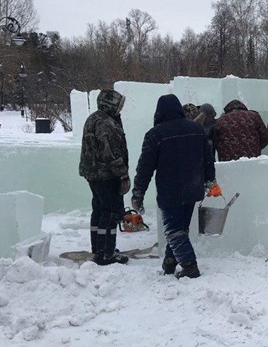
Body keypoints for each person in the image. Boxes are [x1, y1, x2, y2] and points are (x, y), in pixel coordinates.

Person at [131, 94, 218, 279]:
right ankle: (170, 263)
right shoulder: (196, 128)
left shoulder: (155, 134)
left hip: (170, 190)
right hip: (194, 187)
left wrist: (138, 193)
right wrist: (211, 181)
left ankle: (189, 266)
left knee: (173, 230)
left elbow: (144, 168)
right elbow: (208, 158)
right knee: (181, 229)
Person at [79, 89, 130, 266]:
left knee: (99, 210)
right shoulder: (106, 123)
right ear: (111, 104)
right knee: (110, 213)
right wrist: (122, 173)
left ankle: (98, 249)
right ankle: (106, 253)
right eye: (119, 104)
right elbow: (110, 152)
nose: (121, 108)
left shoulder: (94, 118)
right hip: (106, 175)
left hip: (93, 174)